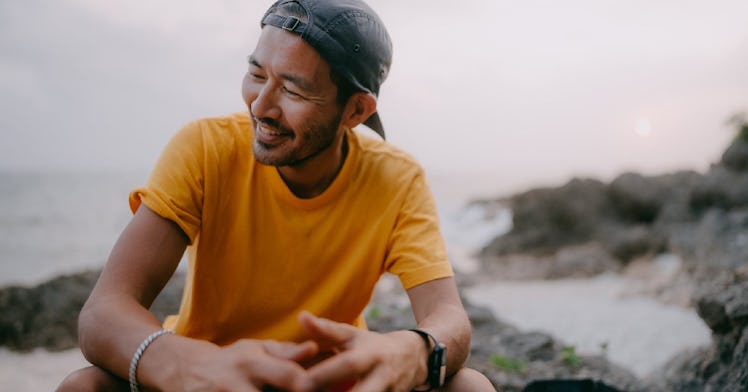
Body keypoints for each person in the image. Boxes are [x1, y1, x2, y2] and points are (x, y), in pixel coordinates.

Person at [57, 0, 495, 390]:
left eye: (292, 89)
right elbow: (104, 312)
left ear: (356, 110)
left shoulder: (397, 179)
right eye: (256, 74)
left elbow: (448, 317)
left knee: (470, 386)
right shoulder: (206, 148)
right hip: (207, 380)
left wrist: (417, 350)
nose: (260, 106)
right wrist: (193, 365)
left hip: (330, 382)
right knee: (85, 387)